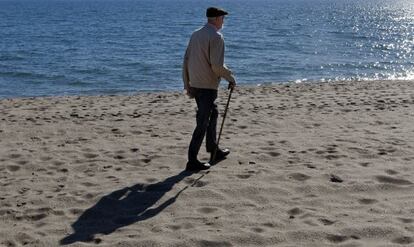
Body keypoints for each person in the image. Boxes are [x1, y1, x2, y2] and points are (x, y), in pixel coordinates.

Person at [182, 7, 236, 171]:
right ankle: (192, 160)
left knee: (213, 113)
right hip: (206, 86)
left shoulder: (196, 34)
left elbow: (186, 60)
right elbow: (216, 66)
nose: (223, 21)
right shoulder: (216, 37)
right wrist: (230, 78)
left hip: (196, 84)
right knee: (203, 122)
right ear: (217, 19)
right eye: (223, 18)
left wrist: (187, 83)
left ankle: (213, 149)